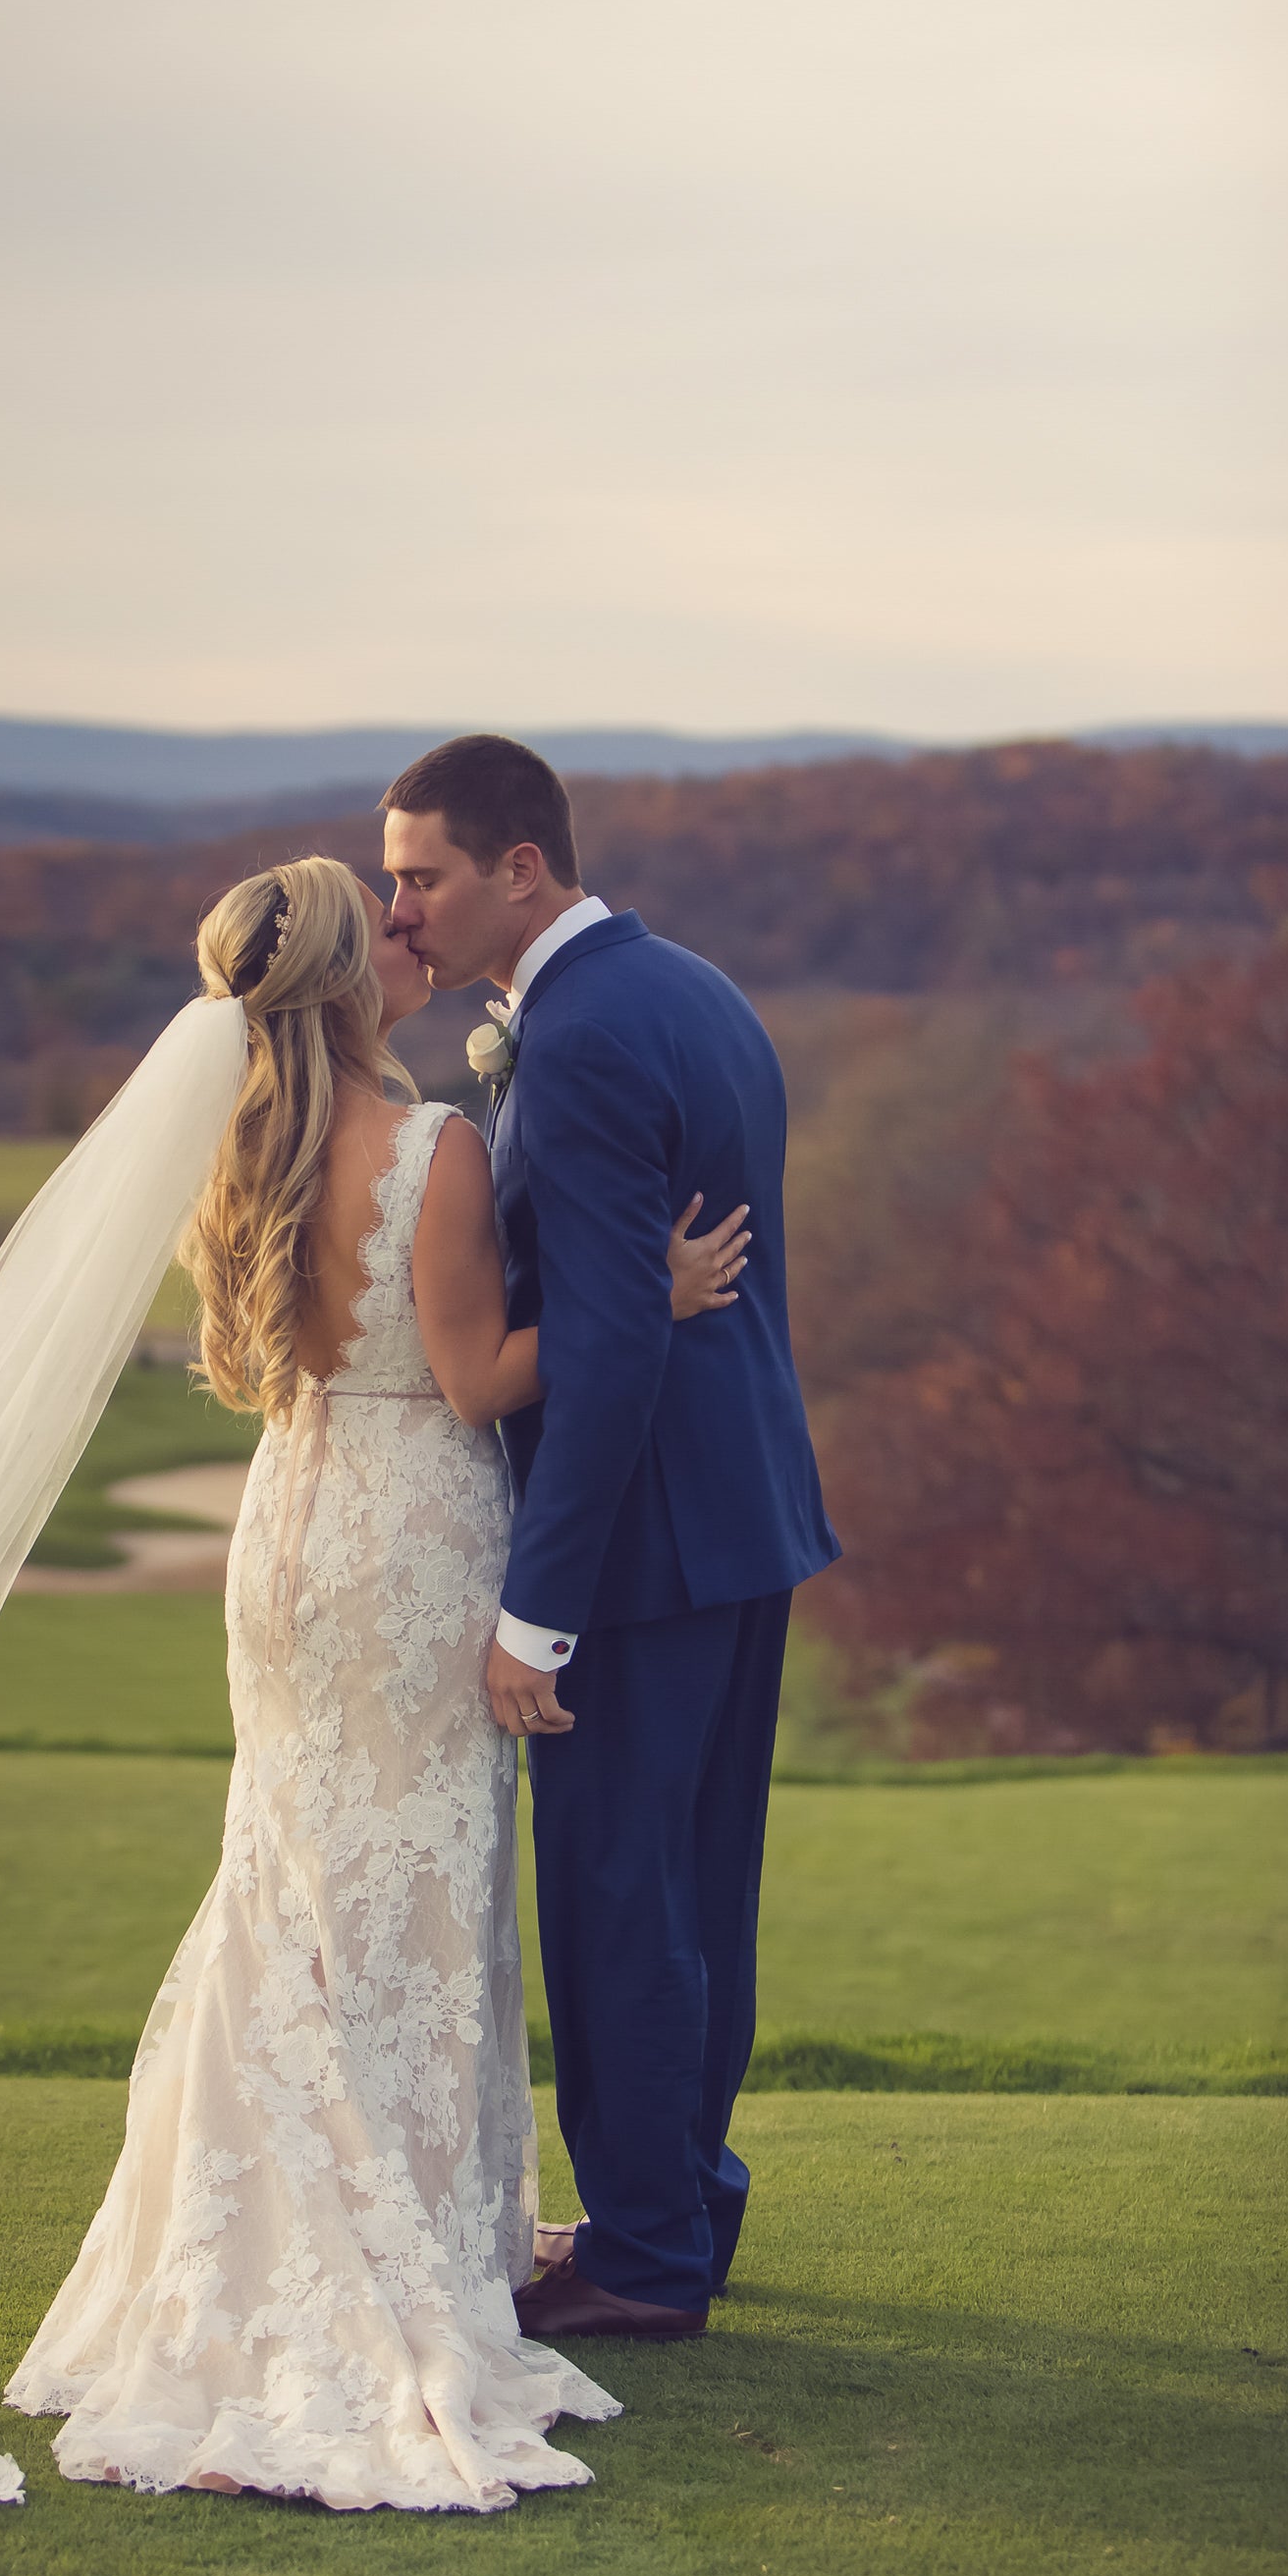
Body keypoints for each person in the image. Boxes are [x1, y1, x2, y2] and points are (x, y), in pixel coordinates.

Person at [6, 855, 748, 2508]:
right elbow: (478, 1372)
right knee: (415, 1879)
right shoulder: (434, 1144)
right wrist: (654, 1298)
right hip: (411, 1531)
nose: (414, 935)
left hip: (289, 1528)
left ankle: (288, 2230)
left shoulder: (240, 1141)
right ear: (354, 984)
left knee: (293, 1873)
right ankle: (397, 2247)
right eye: (390, 923)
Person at [381, 736, 839, 2343]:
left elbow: (614, 1348)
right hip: (741, 1520)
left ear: (520, 866)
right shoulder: (689, 986)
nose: (404, 907)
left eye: (424, 875)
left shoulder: (569, 1040)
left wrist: (537, 1613)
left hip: (639, 1547)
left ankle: (641, 2259)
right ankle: (685, 2210)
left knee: (614, 1902)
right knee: (698, 1894)